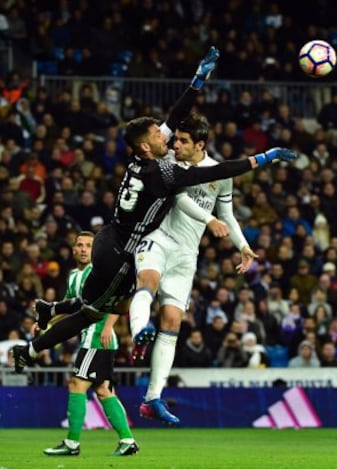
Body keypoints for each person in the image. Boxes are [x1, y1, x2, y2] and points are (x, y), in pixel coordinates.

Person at [13, 46, 297, 376]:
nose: (166, 134)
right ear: (148, 145)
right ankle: (30, 350)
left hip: (111, 238)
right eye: (158, 134)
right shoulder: (162, 173)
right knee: (93, 313)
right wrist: (263, 157)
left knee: (103, 302)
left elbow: (175, 116)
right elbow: (213, 172)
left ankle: (51, 310)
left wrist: (198, 79)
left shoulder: (145, 158)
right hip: (120, 253)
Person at [130, 112, 258, 424]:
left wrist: (242, 246)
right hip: (159, 238)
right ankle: (139, 332)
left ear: (199, 144)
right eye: (176, 139)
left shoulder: (218, 173)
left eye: (183, 141)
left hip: (187, 255)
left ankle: (152, 399)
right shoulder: (171, 163)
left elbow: (226, 214)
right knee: (147, 282)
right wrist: (208, 219)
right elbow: (178, 199)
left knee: (172, 320)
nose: (175, 144)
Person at [42, 231, 138, 457]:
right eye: (80, 245)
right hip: (92, 338)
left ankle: (72, 443)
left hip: (97, 336)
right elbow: (69, 306)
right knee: (103, 391)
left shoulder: (101, 272)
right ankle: (127, 441)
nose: (84, 249)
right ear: (73, 249)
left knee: (77, 384)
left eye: (88, 245)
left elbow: (121, 297)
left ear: (95, 250)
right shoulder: (74, 276)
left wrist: (108, 326)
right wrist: (45, 322)